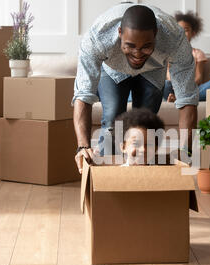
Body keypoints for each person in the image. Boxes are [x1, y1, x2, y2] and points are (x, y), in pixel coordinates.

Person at [73, 3, 198, 174]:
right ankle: (107, 180)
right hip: (112, 69)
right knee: (112, 119)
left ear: (156, 35)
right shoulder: (97, 37)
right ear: (119, 33)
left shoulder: (175, 39)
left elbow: (187, 100)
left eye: (146, 47)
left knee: (145, 126)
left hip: (153, 70)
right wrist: (82, 146)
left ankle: (141, 182)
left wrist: (186, 151)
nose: (137, 54)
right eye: (130, 45)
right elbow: (83, 95)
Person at [164, 11, 210, 103]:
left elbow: (199, 77)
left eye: (186, 30)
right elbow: (168, 74)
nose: (182, 33)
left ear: (193, 33)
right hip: (174, 88)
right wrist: (178, 87)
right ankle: (181, 99)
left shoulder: (198, 53)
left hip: (193, 89)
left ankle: (179, 100)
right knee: (166, 84)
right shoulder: (170, 53)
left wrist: (187, 87)